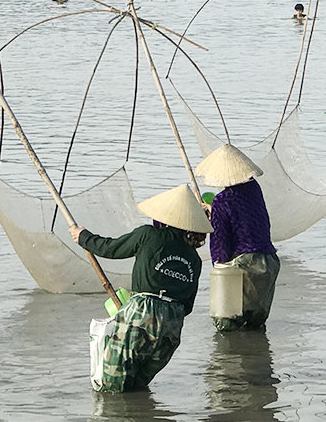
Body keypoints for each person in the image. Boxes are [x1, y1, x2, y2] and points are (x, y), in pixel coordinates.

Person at [69, 185, 211, 393]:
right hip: (173, 324)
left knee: (112, 385)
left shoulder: (148, 235)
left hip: (143, 311)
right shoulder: (194, 259)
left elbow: (110, 248)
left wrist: (83, 237)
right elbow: (187, 306)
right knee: (137, 385)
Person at [195, 144, 279, 331]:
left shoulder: (221, 201)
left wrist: (219, 270)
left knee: (227, 325)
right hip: (268, 262)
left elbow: (220, 247)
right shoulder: (254, 189)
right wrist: (214, 211)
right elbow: (243, 215)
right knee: (255, 326)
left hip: (247, 265)